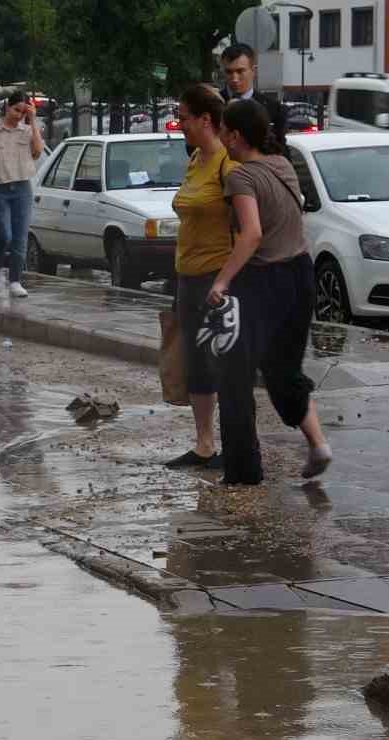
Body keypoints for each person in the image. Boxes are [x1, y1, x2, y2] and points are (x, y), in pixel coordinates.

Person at [206, 99, 332, 486]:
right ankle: (319, 445)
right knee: (283, 369)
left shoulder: (241, 177)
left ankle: (243, 471)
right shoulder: (283, 165)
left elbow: (252, 233)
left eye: (223, 130)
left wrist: (222, 281)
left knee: (234, 375)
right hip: (300, 275)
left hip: (262, 281)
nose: (220, 137)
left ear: (236, 136)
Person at [164, 84, 235, 471]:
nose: (180, 125)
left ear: (205, 120)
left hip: (215, 277)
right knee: (194, 361)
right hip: (187, 274)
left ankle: (232, 442)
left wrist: (226, 281)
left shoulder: (228, 163)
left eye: (185, 118)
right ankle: (204, 443)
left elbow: (243, 225)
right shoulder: (195, 160)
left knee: (217, 361)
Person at [0, 91, 43, 298]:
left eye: (23, 111)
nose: (18, 115)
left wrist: (33, 120)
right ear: (7, 107)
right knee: (4, 235)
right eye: (16, 110)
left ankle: (15, 280)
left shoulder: (27, 130)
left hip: (22, 188)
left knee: (20, 237)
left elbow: (38, 151)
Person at [219, 44, 288, 156]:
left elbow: (281, 153)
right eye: (229, 72)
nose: (234, 79)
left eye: (240, 71)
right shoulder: (214, 103)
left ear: (253, 71)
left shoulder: (274, 109)